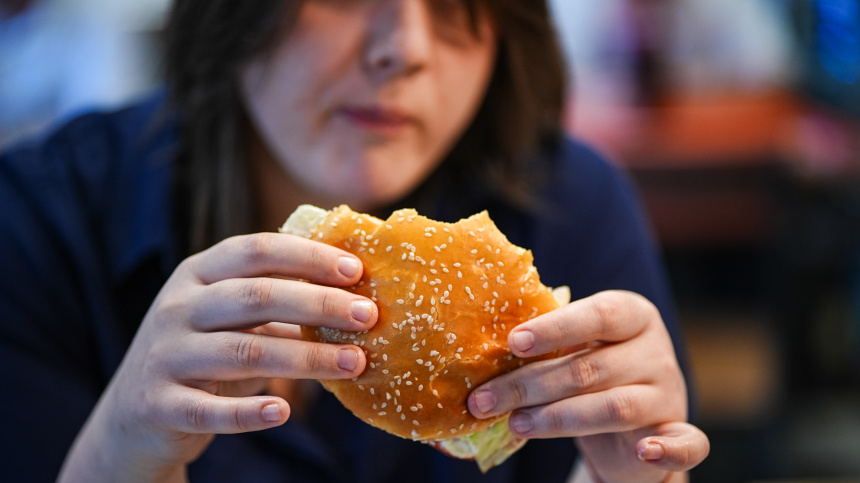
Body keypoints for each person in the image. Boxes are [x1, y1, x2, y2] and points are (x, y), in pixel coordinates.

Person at [0, 1, 709, 481]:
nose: (404, 49)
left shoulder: (571, 207)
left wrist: (632, 475)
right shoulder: (35, 222)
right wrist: (120, 450)